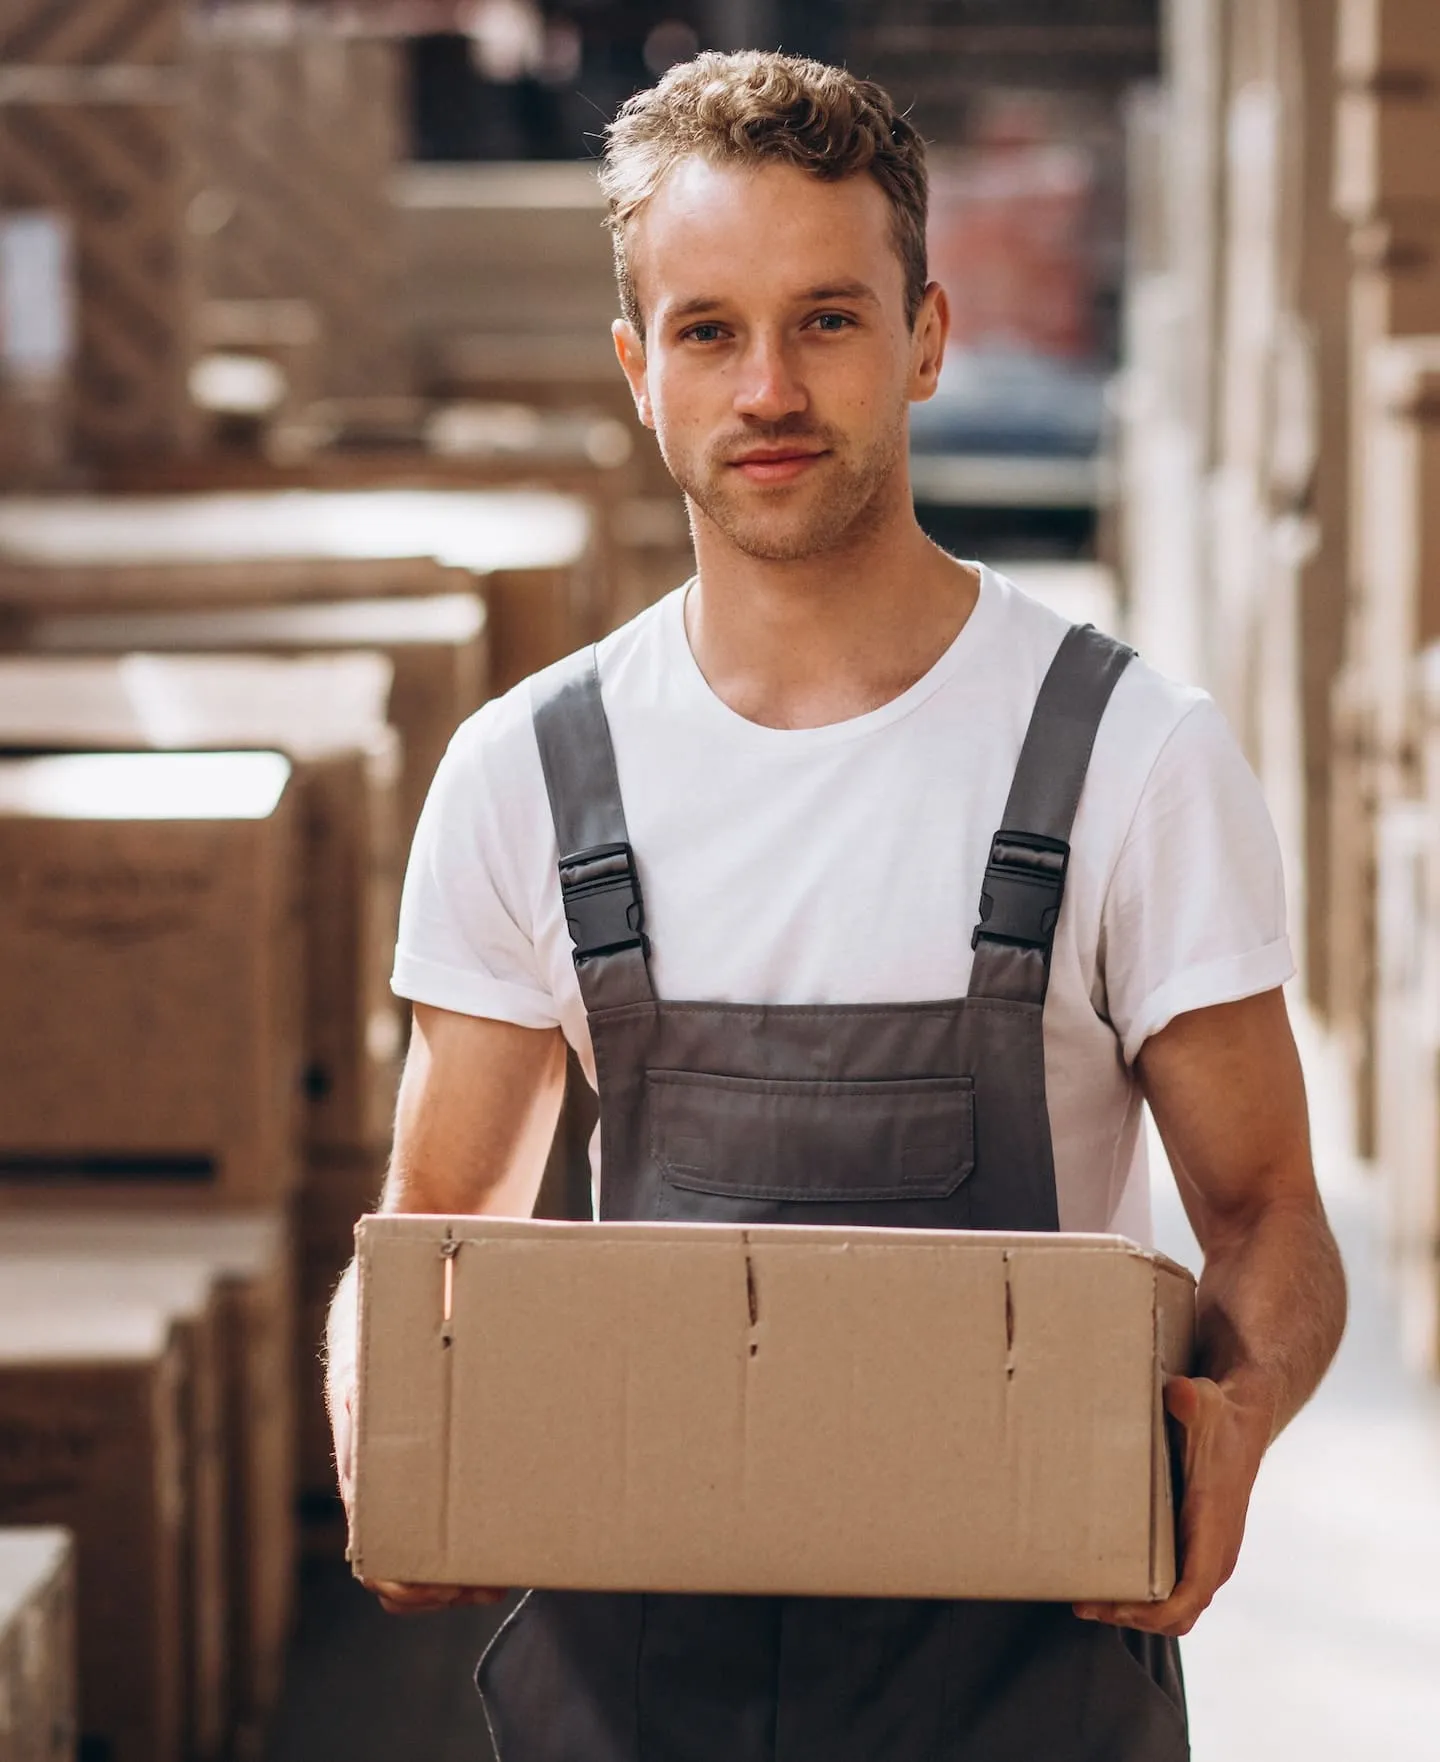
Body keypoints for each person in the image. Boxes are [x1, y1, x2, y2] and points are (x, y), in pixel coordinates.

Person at [327, 49, 1347, 1761]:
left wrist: (1238, 1414)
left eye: (828, 319)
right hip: (629, 1695)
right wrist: (384, 1406)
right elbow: (438, 1233)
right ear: (638, 370)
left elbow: (1265, 1210)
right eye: (710, 331)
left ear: (928, 338)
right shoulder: (527, 771)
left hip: (1026, 1680)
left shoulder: (1126, 755)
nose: (768, 388)